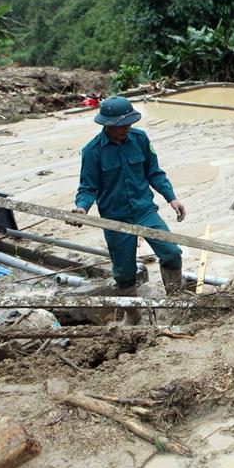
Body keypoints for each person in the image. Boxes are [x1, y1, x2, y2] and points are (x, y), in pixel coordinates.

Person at [72, 96, 187, 325]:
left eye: (129, 123)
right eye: (122, 125)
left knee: (171, 253)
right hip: (115, 218)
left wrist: (171, 198)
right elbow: (87, 187)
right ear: (108, 125)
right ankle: (133, 316)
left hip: (145, 211)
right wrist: (81, 209)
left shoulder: (140, 139)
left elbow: (155, 173)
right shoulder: (92, 151)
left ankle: (175, 303)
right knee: (124, 272)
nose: (127, 128)